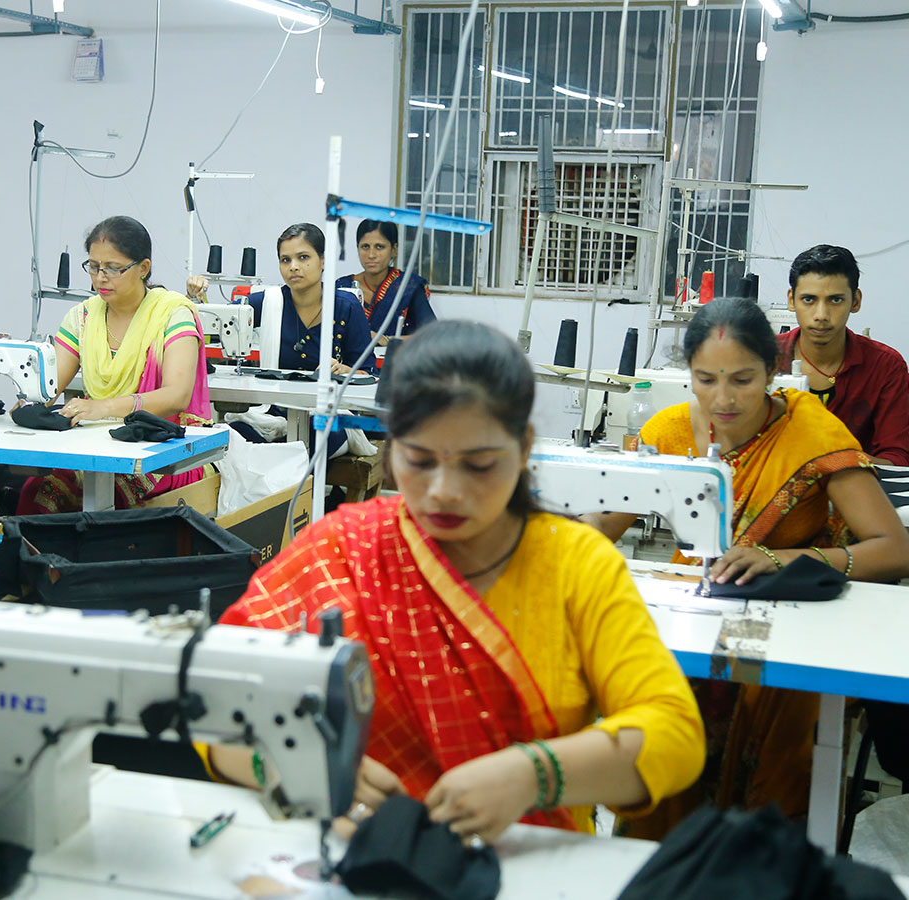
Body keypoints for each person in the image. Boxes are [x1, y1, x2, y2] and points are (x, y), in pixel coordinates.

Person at [207, 320, 705, 842]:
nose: (444, 490)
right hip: (354, 852)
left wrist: (535, 775)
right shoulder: (341, 548)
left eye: (479, 464)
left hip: (526, 861)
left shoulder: (576, 565)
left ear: (524, 447)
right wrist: (288, 765)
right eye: (420, 461)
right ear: (392, 448)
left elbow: (675, 732)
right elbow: (213, 695)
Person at [585, 297, 909, 839]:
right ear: (688, 373)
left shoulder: (812, 432)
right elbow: (601, 528)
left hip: (796, 617)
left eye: (742, 379)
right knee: (654, 697)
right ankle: (665, 857)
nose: (724, 398)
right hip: (701, 611)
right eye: (706, 380)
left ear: (773, 370)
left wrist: (781, 559)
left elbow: (894, 548)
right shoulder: (669, 432)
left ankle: (762, 855)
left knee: (773, 704)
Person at [17, 216, 212, 512]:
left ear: (143, 268)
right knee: (38, 491)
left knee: (113, 493)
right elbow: (48, 388)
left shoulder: (173, 315)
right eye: (94, 266)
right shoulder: (83, 318)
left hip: (166, 450)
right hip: (98, 444)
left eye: (112, 268)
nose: (100, 278)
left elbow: (177, 396)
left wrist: (103, 407)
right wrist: (27, 403)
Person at [189, 223, 376, 460]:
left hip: (329, 415)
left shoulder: (346, 307)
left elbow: (369, 374)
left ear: (323, 260)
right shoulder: (267, 302)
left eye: (303, 257)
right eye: (285, 260)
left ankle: (287, 479)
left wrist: (344, 370)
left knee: (310, 442)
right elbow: (219, 320)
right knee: (232, 438)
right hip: (274, 414)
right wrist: (194, 299)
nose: (293, 266)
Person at [775, 244, 909, 466]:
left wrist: (837, 462)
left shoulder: (885, 367)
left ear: (855, 301)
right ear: (791, 300)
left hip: (856, 485)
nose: (821, 315)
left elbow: (897, 459)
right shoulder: (761, 358)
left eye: (835, 300)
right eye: (809, 299)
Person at [336, 219, 436, 343]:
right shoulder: (343, 287)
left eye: (379, 247)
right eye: (365, 247)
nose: (371, 255)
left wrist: (386, 340)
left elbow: (433, 334)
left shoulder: (408, 287)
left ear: (394, 249)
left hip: (396, 355)